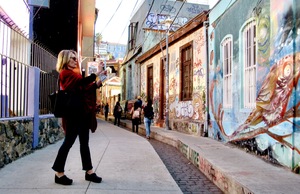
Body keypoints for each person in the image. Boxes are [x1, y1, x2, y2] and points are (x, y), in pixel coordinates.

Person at [52, 50, 102, 185]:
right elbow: (80, 83)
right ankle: (59, 173)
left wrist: (97, 83)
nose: (75, 60)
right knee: (68, 142)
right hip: (72, 115)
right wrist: (95, 74)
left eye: (75, 58)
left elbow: (83, 88)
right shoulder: (65, 74)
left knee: (84, 144)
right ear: (65, 60)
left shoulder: (75, 75)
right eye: (72, 58)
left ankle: (89, 172)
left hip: (82, 114)